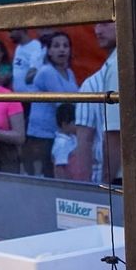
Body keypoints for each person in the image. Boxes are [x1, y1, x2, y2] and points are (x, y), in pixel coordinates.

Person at [24, 32, 77, 178]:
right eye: (56, 46)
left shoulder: (69, 72)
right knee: (47, 178)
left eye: (66, 46)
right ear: (49, 51)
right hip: (43, 137)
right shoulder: (47, 71)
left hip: (60, 133)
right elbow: (63, 103)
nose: (62, 49)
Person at [74, 21, 118, 183]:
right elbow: (84, 140)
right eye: (96, 24)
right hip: (105, 180)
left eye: (105, 23)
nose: (98, 30)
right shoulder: (91, 84)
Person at [9, 28, 44, 93]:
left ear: (20, 29)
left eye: (11, 31)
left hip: (31, 96)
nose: (10, 35)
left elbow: (34, 72)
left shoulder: (35, 46)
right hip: (19, 96)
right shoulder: (18, 47)